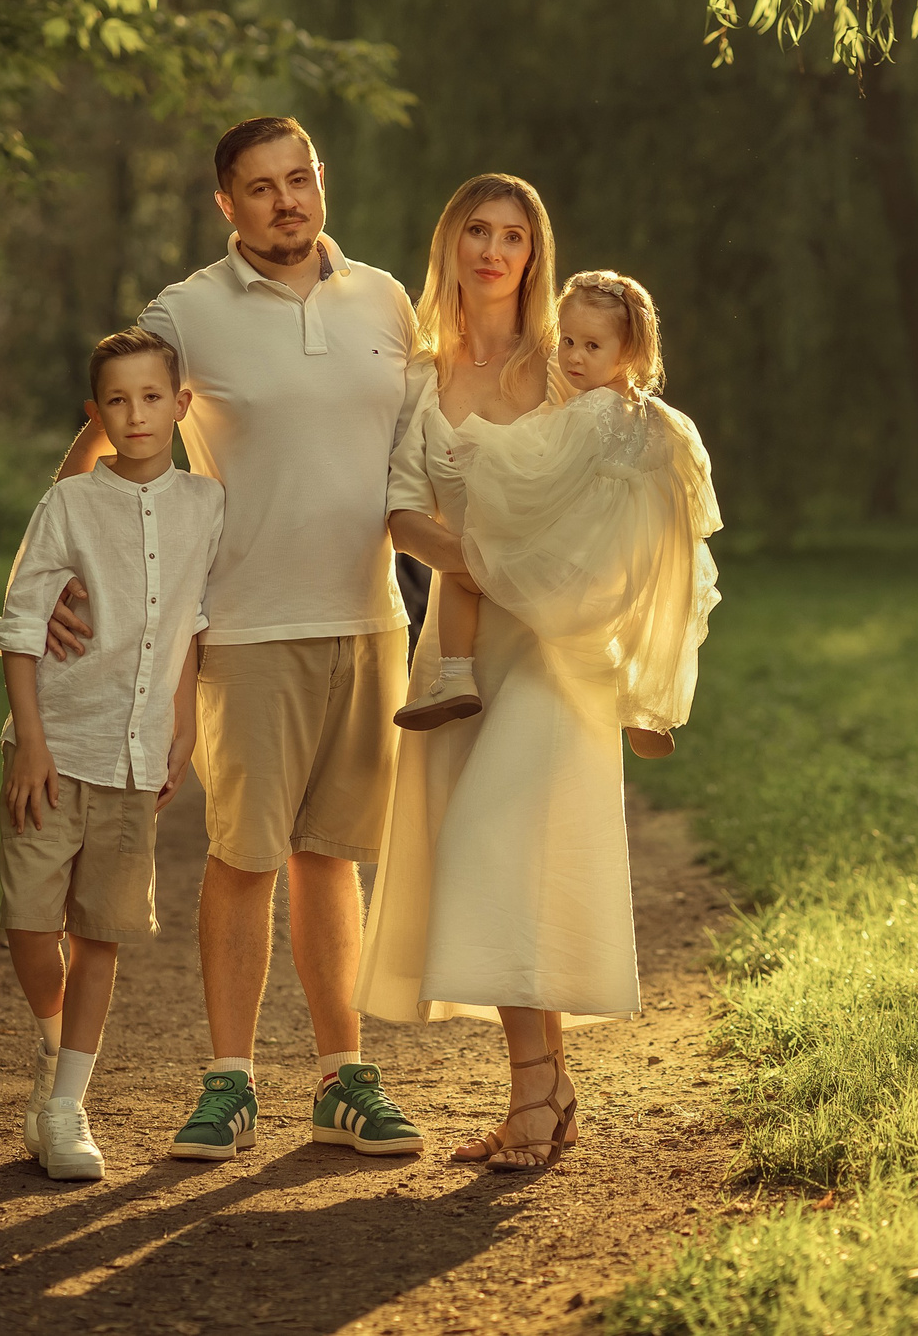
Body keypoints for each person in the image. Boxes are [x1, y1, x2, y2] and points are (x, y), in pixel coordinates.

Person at [45, 116, 430, 1162]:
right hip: (248, 627)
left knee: (332, 858)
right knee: (244, 857)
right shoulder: (188, 313)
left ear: (321, 181)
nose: (285, 201)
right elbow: (112, 423)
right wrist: (65, 563)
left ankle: (343, 1080)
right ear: (227, 205)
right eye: (259, 188)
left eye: (299, 179)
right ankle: (230, 1084)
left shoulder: (385, 299)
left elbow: (428, 444)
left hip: (370, 618)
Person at [357, 191, 719, 1171]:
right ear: (449, 244)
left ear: (534, 253)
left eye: (513, 236)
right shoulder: (423, 376)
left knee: (496, 841)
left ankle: (532, 1102)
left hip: (557, 653)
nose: (493, 250)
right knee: (501, 858)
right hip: (463, 656)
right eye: (477, 231)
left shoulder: (567, 366)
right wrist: (472, 555)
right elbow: (400, 510)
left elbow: (629, 467)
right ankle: (547, 1094)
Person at [0, 327, 223, 1180]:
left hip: (134, 757)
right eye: (118, 401)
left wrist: (185, 721)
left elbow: (190, 623)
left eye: (153, 397)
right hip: (56, 746)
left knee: (102, 931)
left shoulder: (206, 505)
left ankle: (65, 1107)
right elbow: (20, 627)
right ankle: (54, 1048)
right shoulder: (68, 506)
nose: (137, 414)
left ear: (181, 406)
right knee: (27, 921)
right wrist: (31, 745)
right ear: (97, 415)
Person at [396, 272, 717, 764]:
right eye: (567, 340)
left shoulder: (589, 411)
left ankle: (455, 676)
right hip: (611, 555)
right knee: (614, 626)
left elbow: (536, 461)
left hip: (565, 552)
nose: (572, 356)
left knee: (465, 565)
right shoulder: (660, 419)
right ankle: (637, 705)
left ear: (628, 353)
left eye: (591, 345)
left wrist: (479, 448)